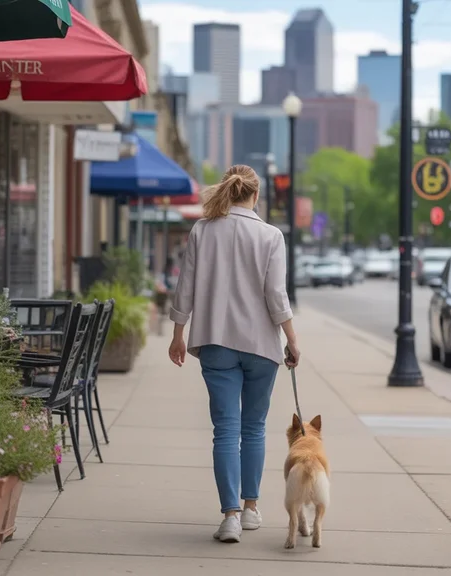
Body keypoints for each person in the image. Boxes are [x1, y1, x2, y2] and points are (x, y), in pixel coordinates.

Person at [168, 164, 301, 544]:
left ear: (229, 189)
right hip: (261, 344)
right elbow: (276, 296)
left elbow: (186, 287)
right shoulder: (271, 235)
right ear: (256, 195)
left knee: (225, 430)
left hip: (215, 340)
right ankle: (251, 508)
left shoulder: (202, 230)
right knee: (253, 428)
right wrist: (292, 337)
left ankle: (229, 516)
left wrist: (178, 333)